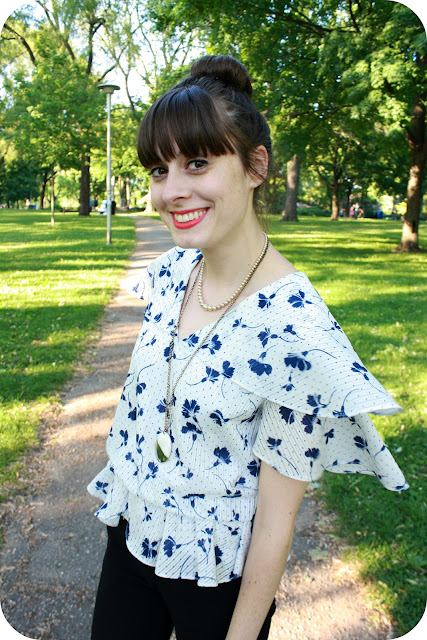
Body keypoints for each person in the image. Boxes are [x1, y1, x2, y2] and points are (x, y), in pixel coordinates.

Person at [88, 55, 408, 640]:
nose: (171, 191)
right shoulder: (172, 271)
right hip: (129, 538)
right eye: (159, 169)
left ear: (255, 167)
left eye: (198, 163)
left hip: (216, 580)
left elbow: (275, 524)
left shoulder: (297, 332)